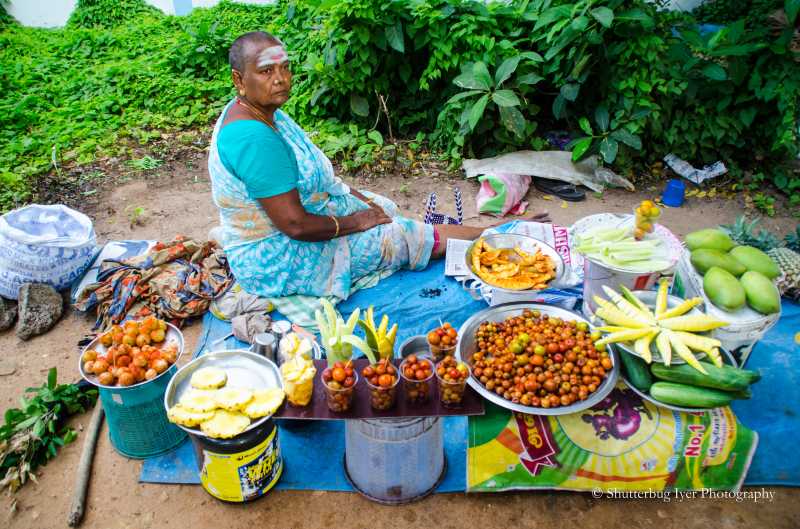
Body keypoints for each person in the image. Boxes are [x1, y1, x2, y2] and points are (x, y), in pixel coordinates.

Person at [208, 31, 549, 299]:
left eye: (284, 67)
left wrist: (365, 205)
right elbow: (296, 226)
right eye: (266, 71)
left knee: (383, 206)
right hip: (277, 258)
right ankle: (499, 234)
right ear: (239, 80)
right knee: (399, 234)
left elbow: (323, 184)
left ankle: (453, 236)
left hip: (293, 221)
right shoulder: (253, 138)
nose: (280, 78)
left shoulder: (262, 112)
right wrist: (358, 220)